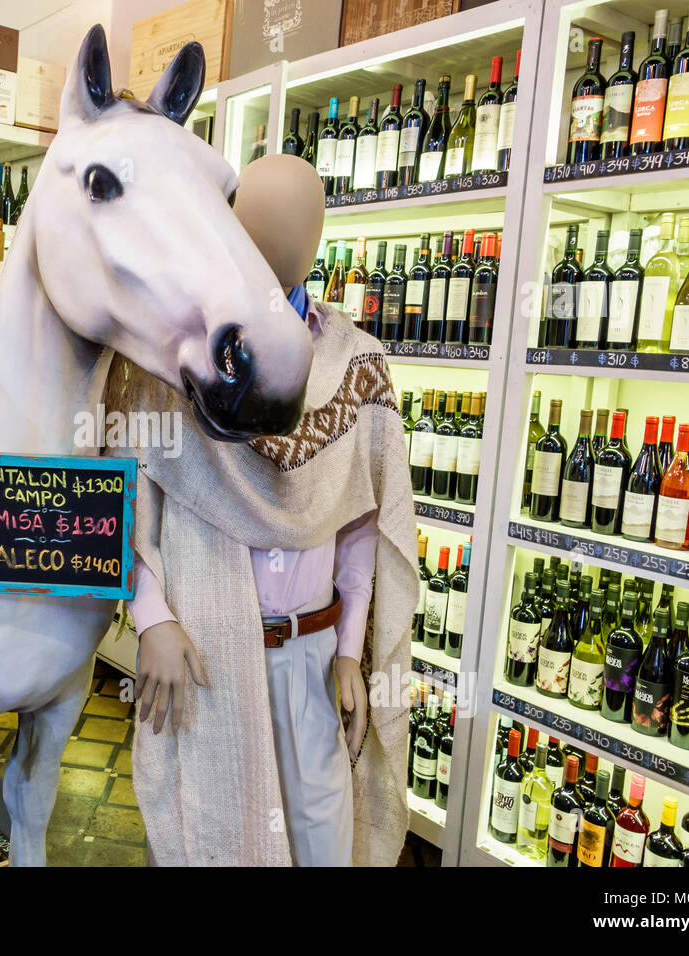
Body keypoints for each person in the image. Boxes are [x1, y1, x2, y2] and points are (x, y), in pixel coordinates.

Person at [108, 153, 418, 866]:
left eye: (297, 218)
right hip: (205, 658)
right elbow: (131, 492)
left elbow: (363, 524)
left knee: (321, 844)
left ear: (318, 235)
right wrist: (151, 616)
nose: (281, 238)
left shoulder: (356, 363)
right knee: (209, 833)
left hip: (310, 658)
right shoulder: (175, 362)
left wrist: (349, 651)